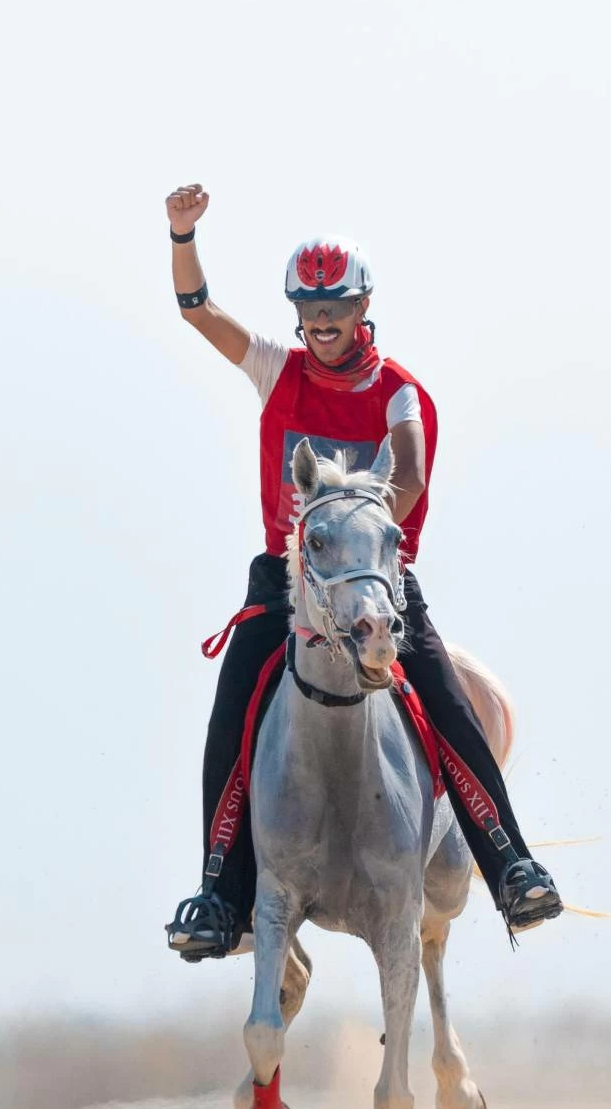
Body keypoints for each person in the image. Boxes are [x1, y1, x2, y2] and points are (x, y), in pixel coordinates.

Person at [163, 182, 561, 960]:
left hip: (378, 582)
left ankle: (510, 864)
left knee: (446, 703)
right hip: (287, 584)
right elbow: (198, 315)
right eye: (307, 313)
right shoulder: (278, 370)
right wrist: (183, 238)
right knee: (230, 712)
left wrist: (360, 518)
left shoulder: (397, 393)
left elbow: (410, 471)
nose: (318, 326)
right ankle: (219, 893)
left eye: (333, 311)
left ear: (362, 306)